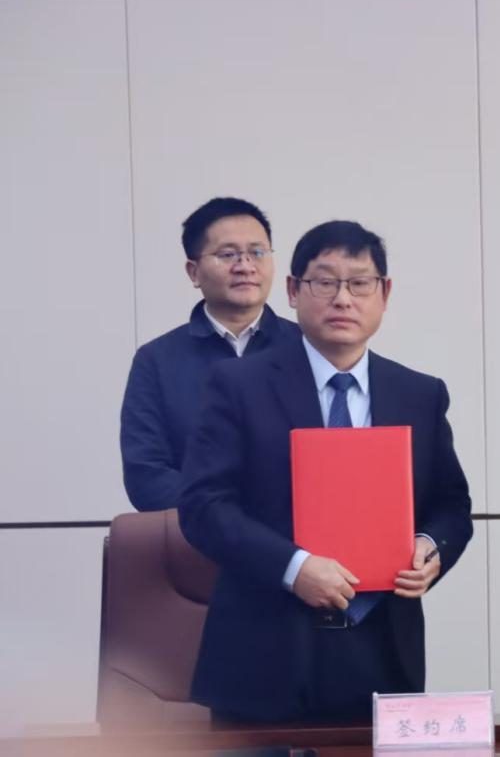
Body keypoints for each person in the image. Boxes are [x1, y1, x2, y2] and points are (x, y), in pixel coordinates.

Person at [178, 220, 473, 722]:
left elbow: (451, 505)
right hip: (263, 652)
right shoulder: (237, 384)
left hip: (382, 652)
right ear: (293, 290)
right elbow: (204, 507)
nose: (343, 299)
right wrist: (294, 568)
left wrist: (431, 547)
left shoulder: (420, 394)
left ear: (385, 293)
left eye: (360, 283)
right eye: (324, 282)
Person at [120, 197, 299, 511]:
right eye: (228, 254)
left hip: (296, 538)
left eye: (258, 252)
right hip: (202, 535)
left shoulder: (306, 347)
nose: (245, 266)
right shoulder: (156, 361)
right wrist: (228, 518)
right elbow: (146, 477)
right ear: (194, 272)